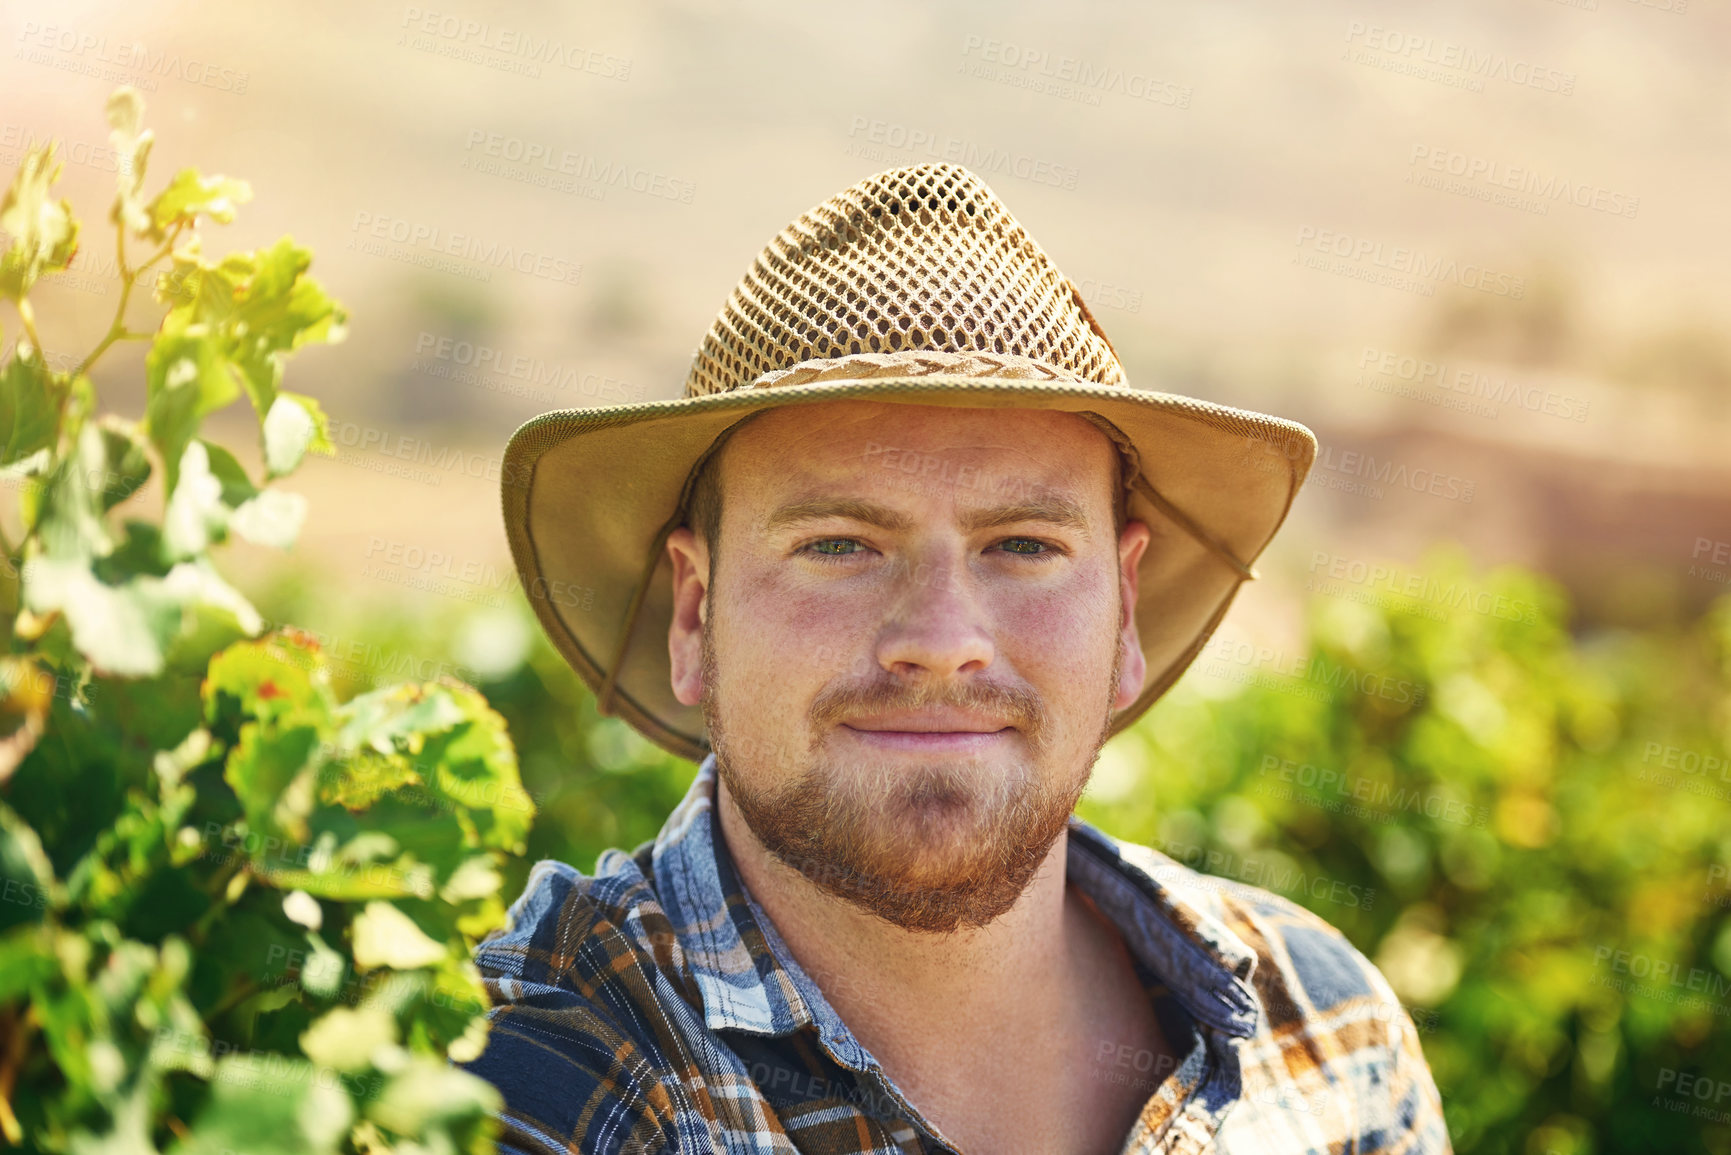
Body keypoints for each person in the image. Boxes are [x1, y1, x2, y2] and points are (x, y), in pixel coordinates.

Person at [463, 163, 1451, 1154]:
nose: (940, 643)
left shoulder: (1329, 1037)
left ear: (1125, 615)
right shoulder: (529, 1081)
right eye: (839, 545)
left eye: (1024, 546)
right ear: (694, 615)